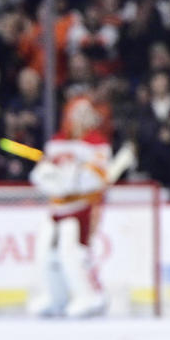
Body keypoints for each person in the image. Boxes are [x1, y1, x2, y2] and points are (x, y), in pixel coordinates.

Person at [27, 98, 111, 318]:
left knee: (76, 253)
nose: (81, 118)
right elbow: (41, 172)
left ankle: (91, 296)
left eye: (86, 113)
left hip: (84, 206)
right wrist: (50, 180)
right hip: (57, 208)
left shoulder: (96, 142)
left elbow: (99, 176)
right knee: (48, 254)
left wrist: (71, 181)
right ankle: (56, 296)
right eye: (77, 112)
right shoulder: (57, 142)